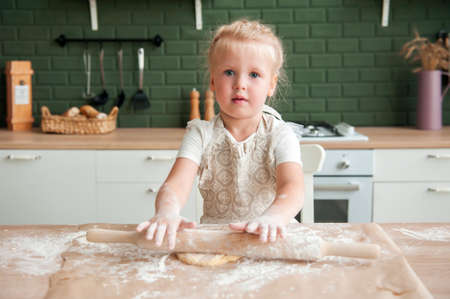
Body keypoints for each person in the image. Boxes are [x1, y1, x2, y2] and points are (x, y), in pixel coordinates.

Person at [137, 19, 304, 250]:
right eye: (229, 72)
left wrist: (274, 217)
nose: (240, 84)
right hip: (217, 243)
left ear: (271, 85)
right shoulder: (201, 134)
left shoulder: (281, 135)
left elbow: (293, 188)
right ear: (213, 81)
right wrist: (167, 211)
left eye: (254, 74)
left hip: (270, 240)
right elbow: (176, 185)